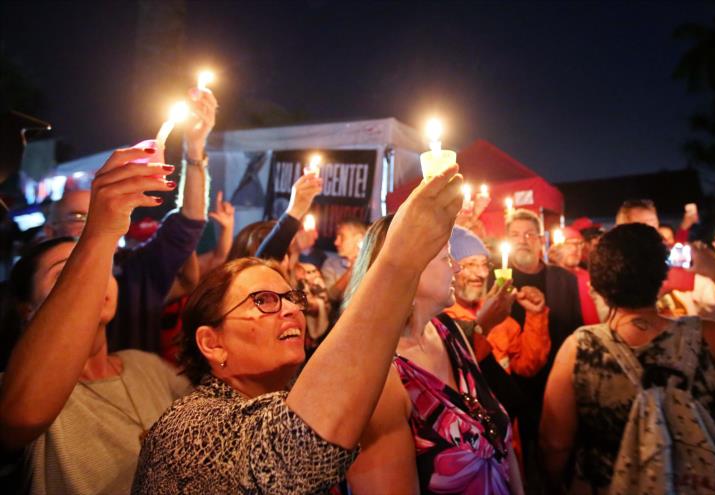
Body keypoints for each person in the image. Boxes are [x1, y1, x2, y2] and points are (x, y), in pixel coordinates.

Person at [133, 165, 465, 493]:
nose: (292, 308)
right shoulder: (189, 427)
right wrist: (400, 256)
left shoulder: (289, 393)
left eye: (291, 297)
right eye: (264, 301)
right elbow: (296, 450)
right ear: (212, 343)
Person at [0, 148, 192, 494]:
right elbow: (17, 417)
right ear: (26, 308)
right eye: (66, 273)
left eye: (98, 267)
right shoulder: (18, 386)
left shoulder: (147, 367)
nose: (93, 282)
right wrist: (100, 232)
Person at [540, 224, 715, 494]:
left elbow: (555, 443)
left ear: (595, 282)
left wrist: (554, 484)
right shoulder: (700, 337)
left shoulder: (580, 347)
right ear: (663, 277)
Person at [345, 217, 524, 495]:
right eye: (446, 257)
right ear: (409, 268)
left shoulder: (450, 332)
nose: (456, 266)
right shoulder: (378, 373)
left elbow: (501, 442)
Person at [43, 87, 216, 354]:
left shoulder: (130, 275)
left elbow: (187, 225)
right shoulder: (38, 276)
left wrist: (194, 147)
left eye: (98, 211)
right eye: (79, 217)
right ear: (49, 229)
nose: (94, 221)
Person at [498, 208, 582, 490]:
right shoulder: (499, 278)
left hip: (554, 379)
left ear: (540, 240)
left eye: (529, 234)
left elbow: (575, 327)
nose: (523, 240)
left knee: (555, 451)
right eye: (515, 235)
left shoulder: (564, 279)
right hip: (512, 386)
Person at [445, 226, 550, 377]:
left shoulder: (496, 312)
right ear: (450, 268)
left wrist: (535, 314)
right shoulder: (440, 321)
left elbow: (528, 365)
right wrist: (482, 326)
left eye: (484, 264)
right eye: (471, 264)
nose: (482, 274)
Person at [322, 218, 367, 303]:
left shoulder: (372, 263)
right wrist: (353, 268)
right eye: (336, 237)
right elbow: (330, 297)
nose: (336, 242)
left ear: (359, 239)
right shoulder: (331, 264)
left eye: (342, 237)